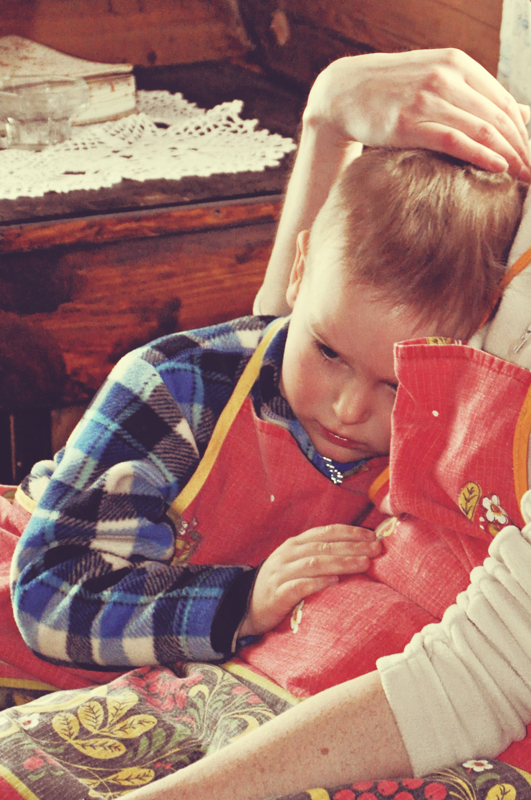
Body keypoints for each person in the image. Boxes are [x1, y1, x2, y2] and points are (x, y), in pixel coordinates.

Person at [2, 47, 531, 800]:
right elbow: (48, 601)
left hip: (155, 663)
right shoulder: (169, 386)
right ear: (299, 271)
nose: (349, 409)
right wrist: (240, 602)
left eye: (395, 383)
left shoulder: (421, 430)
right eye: (328, 352)